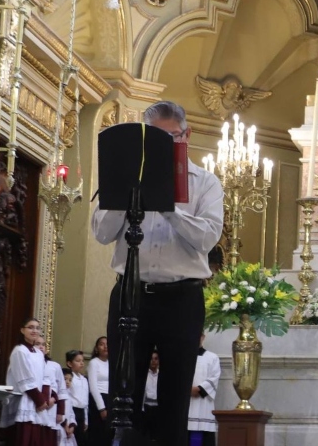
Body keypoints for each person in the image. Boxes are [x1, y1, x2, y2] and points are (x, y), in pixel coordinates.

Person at [92, 100, 224, 446]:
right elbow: (103, 234)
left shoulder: (205, 183)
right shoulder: (126, 178)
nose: (163, 148)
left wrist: (169, 206)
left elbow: (207, 238)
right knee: (125, 388)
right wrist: (124, 189)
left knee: (175, 393)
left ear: (187, 135)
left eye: (171, 139)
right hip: (130, 292)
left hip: (181, 297)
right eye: (154, 140)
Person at [0, 318, 52, 446]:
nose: (34, 330)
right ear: (22, 330)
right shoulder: (19, 351)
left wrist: (44, 398)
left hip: (37, 402)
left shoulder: (39, 354)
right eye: (30, 327)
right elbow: (25, 379)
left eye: (37, 328)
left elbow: (45, 377)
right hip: (26, 399)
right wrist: (39, 401)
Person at [188, 333, 221, 446]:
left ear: (203, 337)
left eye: (199, 335)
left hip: (204, 405)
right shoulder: (181, 357)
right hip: (185, 404)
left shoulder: (212, 357)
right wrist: (186, 390)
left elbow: (214, 377)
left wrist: (200, 389)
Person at [37, 340, 68, 444]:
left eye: (43, 345)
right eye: (37, 344)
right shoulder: (30, 363)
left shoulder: (54, 366)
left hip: (52, 408)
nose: (41, 347)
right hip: (37, 405)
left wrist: (60, 411)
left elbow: (61, 389)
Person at [85, 337, 110, 446]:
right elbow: (93, 387)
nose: (105, 346)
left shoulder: (111, 363)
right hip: (98, 400)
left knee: (107, 435)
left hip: (109, 398)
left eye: (107, 344)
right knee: (97, 434)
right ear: (96, 348)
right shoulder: (94, 363)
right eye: (101, 344)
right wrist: (102, 408)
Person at [65, 350, 89, 446]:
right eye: (78, 361)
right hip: (72, 410)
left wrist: (86, 419)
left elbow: (86, 400)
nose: (81, 363)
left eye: (82, 360)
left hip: (82, 412)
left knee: (81, 439)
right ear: (69, 363)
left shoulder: (84, 379)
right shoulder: (69, 379)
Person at [141, 350, 159, 435]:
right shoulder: (143, 374)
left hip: (157, 408)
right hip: (145, 407)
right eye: (151, 358)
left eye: (156, 358)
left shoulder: (161, 374)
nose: (153, 361)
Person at [60, 370, 79, 446]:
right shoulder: (57, 396)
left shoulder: (69, 397)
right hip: (60, 427)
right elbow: (57, 412)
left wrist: (72, 425)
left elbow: (71, 413)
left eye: (70, 380)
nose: (67, 382)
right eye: (65, 379)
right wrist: (64, 425)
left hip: (68, 428)